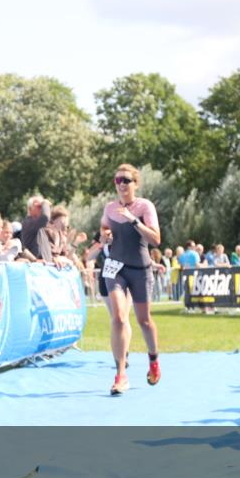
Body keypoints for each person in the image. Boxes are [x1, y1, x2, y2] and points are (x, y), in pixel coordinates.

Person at [101, 164, 161, 395]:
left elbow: (156, 239)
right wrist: (105, 237)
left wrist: (133, 220)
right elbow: (104, 230)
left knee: (144, 321)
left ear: (135, 183)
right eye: (118, 180)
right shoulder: (109, 207)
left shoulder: (144, 206)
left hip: (140, 268)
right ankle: (120, 374)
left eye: (126, 180)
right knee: (118, 317)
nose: (122, 184)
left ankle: (153, 360)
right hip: (114, 267)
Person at [20, 195, 51, 260]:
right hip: (34, 266)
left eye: (42, 207)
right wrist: (45, 203)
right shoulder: (28, 222)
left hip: (44, 265)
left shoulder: (39, 225)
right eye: (39, 206)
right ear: (30, 209)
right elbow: (45, 218)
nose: (42, 209)